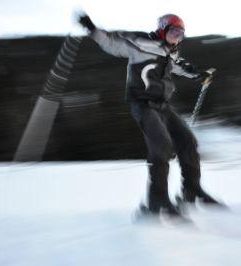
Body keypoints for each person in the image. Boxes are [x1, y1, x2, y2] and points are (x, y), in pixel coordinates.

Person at [78, 13, 222, 217]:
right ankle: (157, 200)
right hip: (143, 104)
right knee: (161, 144)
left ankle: (192, 190)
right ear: (163, 29)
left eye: (180, 34)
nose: (177, 37)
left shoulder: (171, 51)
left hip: (162, 105)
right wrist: (92, 29)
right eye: (173, 32)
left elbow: (180, 66)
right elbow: (111, 43)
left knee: (188, 142)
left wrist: (199, 74)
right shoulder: (140, 42)